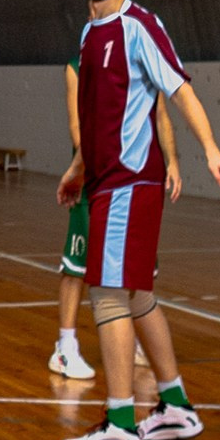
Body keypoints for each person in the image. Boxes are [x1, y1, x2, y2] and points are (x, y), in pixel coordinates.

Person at [56, 0, 220, 440]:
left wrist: (209, 149)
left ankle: (119, 425)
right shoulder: (89, 37)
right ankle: (175, 405)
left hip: (131, 183)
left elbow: (179, 90)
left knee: (107, 293)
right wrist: (77, 168)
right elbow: (96, 119)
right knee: (136, 296)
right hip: (106, 179)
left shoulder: (140, 27)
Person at [51, 90, 180, 385]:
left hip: (135, 181)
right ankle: (65, 347)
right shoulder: (80, 64)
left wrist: (172, 161)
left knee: (136, 267)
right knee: (78, 264)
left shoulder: (144, 58)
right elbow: (79, 126)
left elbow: (161, 114)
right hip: (98, 178)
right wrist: (81, 168)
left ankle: (132, 343)